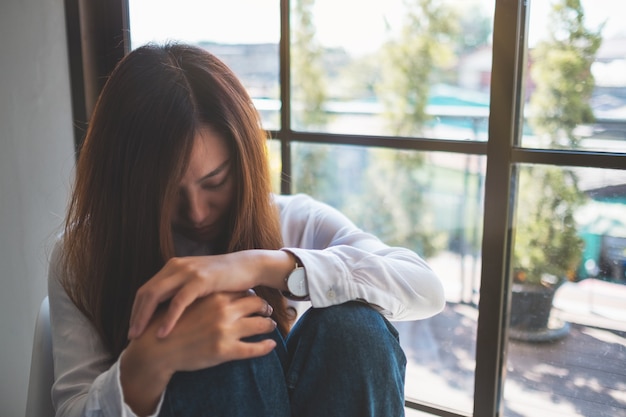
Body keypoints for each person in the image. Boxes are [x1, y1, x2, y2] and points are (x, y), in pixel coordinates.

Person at [48, 42, 445, 417]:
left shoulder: (293, 220)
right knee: (222, 339)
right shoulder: (84, 254)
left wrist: (259, 266)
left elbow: (425, 288)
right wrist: (151, 359)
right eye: (167, 193)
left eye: (215, 181)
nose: (197, 211)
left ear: (243, 164)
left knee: (354, 330)